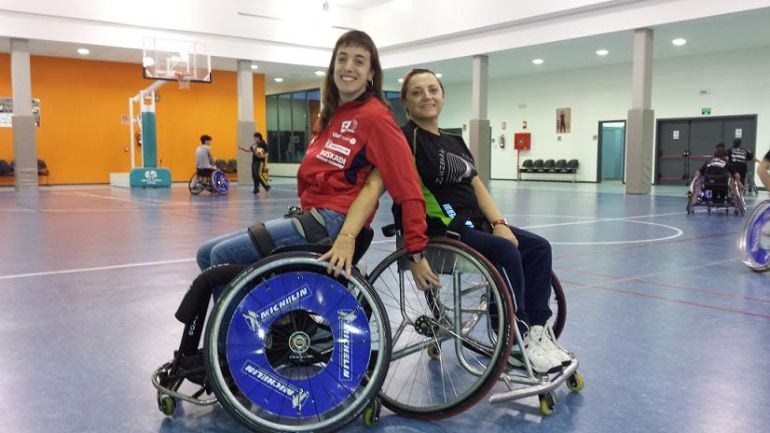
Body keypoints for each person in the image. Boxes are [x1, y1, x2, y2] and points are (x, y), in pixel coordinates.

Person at [196, 30, 439, 289]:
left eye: (359, 61)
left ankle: (234, 329)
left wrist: (415, 251)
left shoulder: (376, 118)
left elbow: (408, 188)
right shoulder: (328, 118)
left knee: (220, 257)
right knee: (206, 253)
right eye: (342, 58)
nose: (348, 67)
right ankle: (265, 318)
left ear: (371, 73)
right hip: (310, 214)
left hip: (333, 221)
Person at [398, 68, 571, 373]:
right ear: (406, 102)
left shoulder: (455, 141)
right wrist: (414, 252)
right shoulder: (405, 139)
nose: (427, 96)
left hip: (474, 221)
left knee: (538, 247)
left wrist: (499, 222)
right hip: (443, 228)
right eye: (417, 92)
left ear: (442, 96)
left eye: (433, 89)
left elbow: (477, 186)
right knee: (506, 252)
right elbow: (400, 191)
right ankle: (514, 337)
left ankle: (537, 331)